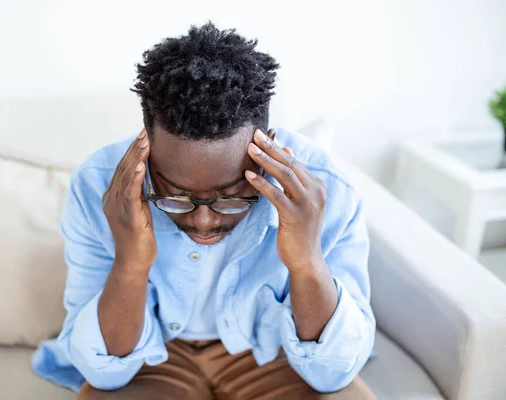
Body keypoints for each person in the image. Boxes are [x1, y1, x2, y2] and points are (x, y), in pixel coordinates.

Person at [32, 21, 376, 400]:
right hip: (153, 351)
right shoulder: (98, 187)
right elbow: (104, 373)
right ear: (146, 151)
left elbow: (330, 375)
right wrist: (130, 261)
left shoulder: (326, 190)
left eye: (230, 196)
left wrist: (306, 261)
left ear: (266, 150)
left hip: (277, 348)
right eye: (176, 196)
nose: (203, 220)